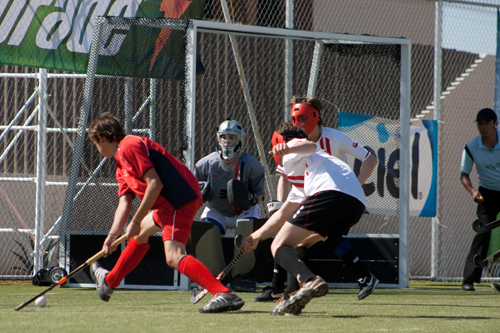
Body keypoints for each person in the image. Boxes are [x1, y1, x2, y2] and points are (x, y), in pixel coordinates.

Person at [87, 112, 244, 313]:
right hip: (165, 205)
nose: (97, 149)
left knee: (173, 256)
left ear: (101, 138)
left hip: (177, 200)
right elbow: (124, 203)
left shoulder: (129, 145)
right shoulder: (120, 165)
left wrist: (134, 221)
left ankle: (223, 293)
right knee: (142, 232)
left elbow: (155, 184)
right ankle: (109, 282)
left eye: (95, 144)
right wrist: (112, 236)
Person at [254, 96, 378, 302]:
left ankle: (292, 287)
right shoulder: (293, 145)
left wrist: (354, 183)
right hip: (319, 194)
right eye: (296, 118)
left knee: (285, 241)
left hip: (330, 193)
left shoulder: (320, 140)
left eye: (303, 117)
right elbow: (286, 177)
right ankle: (287, 291)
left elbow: (370, 158)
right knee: (306, 241)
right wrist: (279, 205)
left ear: (316, 116)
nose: (299, 122)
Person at [242, 122, 368, 316]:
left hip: (330, 194)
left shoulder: (295, 151)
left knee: (277, 246)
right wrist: (256, 236)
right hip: (355, 204)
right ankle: (292, 297)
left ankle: (310, 281)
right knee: (300, 244)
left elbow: (309, 145)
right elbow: (282, 215)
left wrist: (287, 147)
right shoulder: (308, 177)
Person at [193, 119, 265, 292]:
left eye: (231, 137)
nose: (227, 141)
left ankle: (244, 276)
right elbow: (194, 187)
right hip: (216, 208)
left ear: (240, 139)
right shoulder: (206, 163)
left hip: (244, 210)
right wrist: (199, 194)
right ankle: (214, 275)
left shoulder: (252, 164)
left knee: (248, 231)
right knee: (205, 231)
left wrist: (251, 199)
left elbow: (260, 195)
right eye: (224, 137)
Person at [460, 108, 500, 292]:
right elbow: (464, 175)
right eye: (479, 123)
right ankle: (469, 279)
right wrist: (472, 192)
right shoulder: (471, 147)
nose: (482, 127)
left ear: (495, 123)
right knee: (482, 232)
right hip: (487, 194)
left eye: (486, 123)